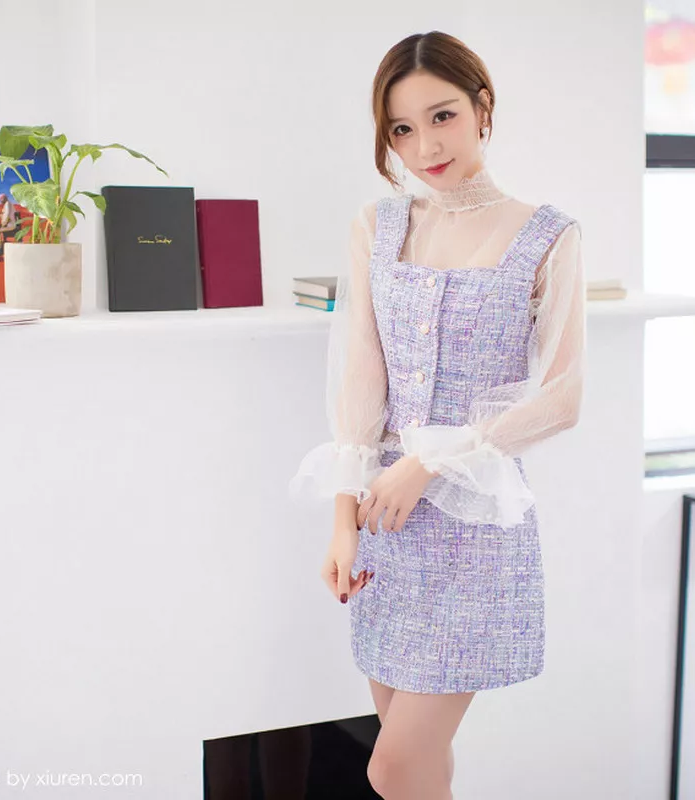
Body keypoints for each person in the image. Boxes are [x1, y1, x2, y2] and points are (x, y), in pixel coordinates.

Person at [288, 31, 585, 799]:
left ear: (483, 107)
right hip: (385, 530)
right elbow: (362, 378)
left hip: (476, 531)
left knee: (392, 767)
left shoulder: (549, 235)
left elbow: (562, 398)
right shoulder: (378, 226)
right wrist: (343, 522)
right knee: (421, 764)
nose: (425, 146)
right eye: (402, 128)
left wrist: (428, 462)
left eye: (443, 116)